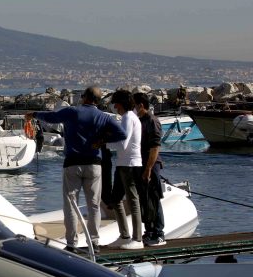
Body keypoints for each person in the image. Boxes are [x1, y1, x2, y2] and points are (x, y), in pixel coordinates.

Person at [25, 86, 126, 253]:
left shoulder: (72, 112)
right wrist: (101, 140)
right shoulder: (103, 116)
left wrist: (34, 114)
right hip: (94, 163)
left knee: (71, 205)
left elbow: (52, 117)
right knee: (94, 205)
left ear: (85, 97)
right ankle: (94, 242)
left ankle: (72, 243)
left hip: (72, 163)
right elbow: (121, 134)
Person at [106, 90, 144, 250]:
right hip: (123, 164)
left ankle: (137, 239)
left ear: (120, 104)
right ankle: (124, 235)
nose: (114, 107)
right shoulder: (129, 117)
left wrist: (105, 142)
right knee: (115, 200)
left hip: (130, 165)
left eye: (115, 103)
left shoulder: (128, 117)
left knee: (133, 201)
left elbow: (123, 143)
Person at [133, 92, 166, 247]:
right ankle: (149, 231)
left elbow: (155, 147)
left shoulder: (152, 121)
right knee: (145, 200)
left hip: (151, 165)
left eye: (134, 105)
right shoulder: (139, 121)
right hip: (141, 164)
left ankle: (159, 233)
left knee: (153, 198)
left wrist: (148, 169)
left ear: (141, 105)